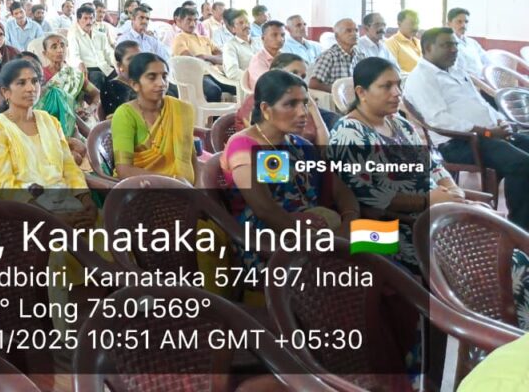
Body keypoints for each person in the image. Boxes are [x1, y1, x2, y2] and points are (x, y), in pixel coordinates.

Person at [329, 57, 477, 271]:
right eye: (386, 86)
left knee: (495, 236)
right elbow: (366, 195)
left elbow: (432, 165)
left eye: (398, 84)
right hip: (398, 226)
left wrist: (453, 190)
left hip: (435, 212)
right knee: (482, 255)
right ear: (361, 92)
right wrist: (426, 202)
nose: (397, 92)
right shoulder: (350, 133)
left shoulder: (400, 124)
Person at [220, 70, 360, 280]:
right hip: (270, 243)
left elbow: (339, 189)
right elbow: (265, 209)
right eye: (290, 104)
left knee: (389, 243)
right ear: (265, 109)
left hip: (316, 230)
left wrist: (350, 221)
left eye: (305, 103)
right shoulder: (245, 145)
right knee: (371, 262)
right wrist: (324, 243)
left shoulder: (298, 145)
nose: (303, 112)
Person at [404, 27, 529, 230]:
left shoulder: (456, 70)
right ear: (427, 48)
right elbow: (439, 120)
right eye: (447, 45)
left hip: (488, 135)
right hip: (459, 143)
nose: (454, 49)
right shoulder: (422, 78)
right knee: (522, 164)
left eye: (455, 44)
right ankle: (519, 229)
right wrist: (486, 132)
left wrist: (500, 121)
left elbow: (481, 103)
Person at [0, 60, 95, 228]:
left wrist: (86, 200)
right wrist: (53, 219)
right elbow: (4, 186)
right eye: (21, 83)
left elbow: (69, 167)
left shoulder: (49, 121)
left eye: (35, 81)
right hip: (24, 215)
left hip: (67, 205)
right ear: (6, 92)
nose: (31, 88)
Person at [111, 53, 197, 182]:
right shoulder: (125, 115)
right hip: (141, 186)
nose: (161, 83)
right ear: (135, 84)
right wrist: (174, 181)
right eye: (152, 77)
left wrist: (200, 187)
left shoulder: (180, 109)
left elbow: (191, 157)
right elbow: (124, 170)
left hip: (184, 185)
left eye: (164, 76)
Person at [234, 53, 332, 145]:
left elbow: (325, 150)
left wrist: (313, 108)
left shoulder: (303, 104)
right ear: (274, 73)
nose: (299, 79)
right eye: (293, 73)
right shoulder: (255, 101)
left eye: (303, 76)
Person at [36, 33, 99, 140]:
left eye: (62, 45)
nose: (60, 50)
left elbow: (96, 94)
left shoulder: (75, 75)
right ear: (45, 53)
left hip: (79, 118)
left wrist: (89, 110)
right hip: (52, 121)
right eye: (54, 47)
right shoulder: (40, 75)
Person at [171, 6, 234, 103]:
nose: (192, 23)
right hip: (197, 76)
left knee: (237, 87)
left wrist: (205, 57)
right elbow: (191, 61)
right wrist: (213, 59)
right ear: (180, 21)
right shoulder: (180, 38)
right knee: (214, 91)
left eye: (195, 20)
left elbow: (223, 58)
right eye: (189, 20)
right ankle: (214, 114)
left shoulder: (205, 39)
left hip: (215, 73)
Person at [308, 18, 366, 93]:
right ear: (337, 36)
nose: (354, 34)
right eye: (348, 31)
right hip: (335, 98)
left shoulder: (360, 56)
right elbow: (313, 84)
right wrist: (339, 91)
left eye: (356, 30)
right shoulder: (329, 56)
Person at [68, 4, 116, 91]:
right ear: (78, 20)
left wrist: (115, 65)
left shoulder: (100, 35)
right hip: (87, 68)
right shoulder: (73, 35)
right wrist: (80, 64)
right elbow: (74, 55)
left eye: (91, 18)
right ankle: (98, 100)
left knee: (118, 76)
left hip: (103, 67)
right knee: (98, 76)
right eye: (85, 18)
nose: (89, 21)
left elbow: (108, 54)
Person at [99, 41, 140, 120]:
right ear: (119, 65)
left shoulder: (146, 82)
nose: (137, 62)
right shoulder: (111, 87)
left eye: (139, 57)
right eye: (130, 59)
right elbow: (113, 120)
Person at [243, 20, 286, 89]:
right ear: (263, 38)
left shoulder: (284, 56)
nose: (280, 39)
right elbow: (272, 84)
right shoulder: (258, 61)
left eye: (283, 35)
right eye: (274, 35)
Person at [448, 7, 490, 78]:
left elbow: (486, 59)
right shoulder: (448, 45)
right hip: (466, 82)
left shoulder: (472, 42)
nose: (463, 25)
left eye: (466, 22)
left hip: (484, 79)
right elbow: (455, 72)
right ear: (449, 24)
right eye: (459, 22)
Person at [221, 8, 259, 85]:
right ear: (233, 29)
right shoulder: (230, 46)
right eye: (241, 23)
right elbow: (232, 72)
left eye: (247, 22)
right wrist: (256, 78)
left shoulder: (259, 41)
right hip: (249, 84)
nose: (246, 25)